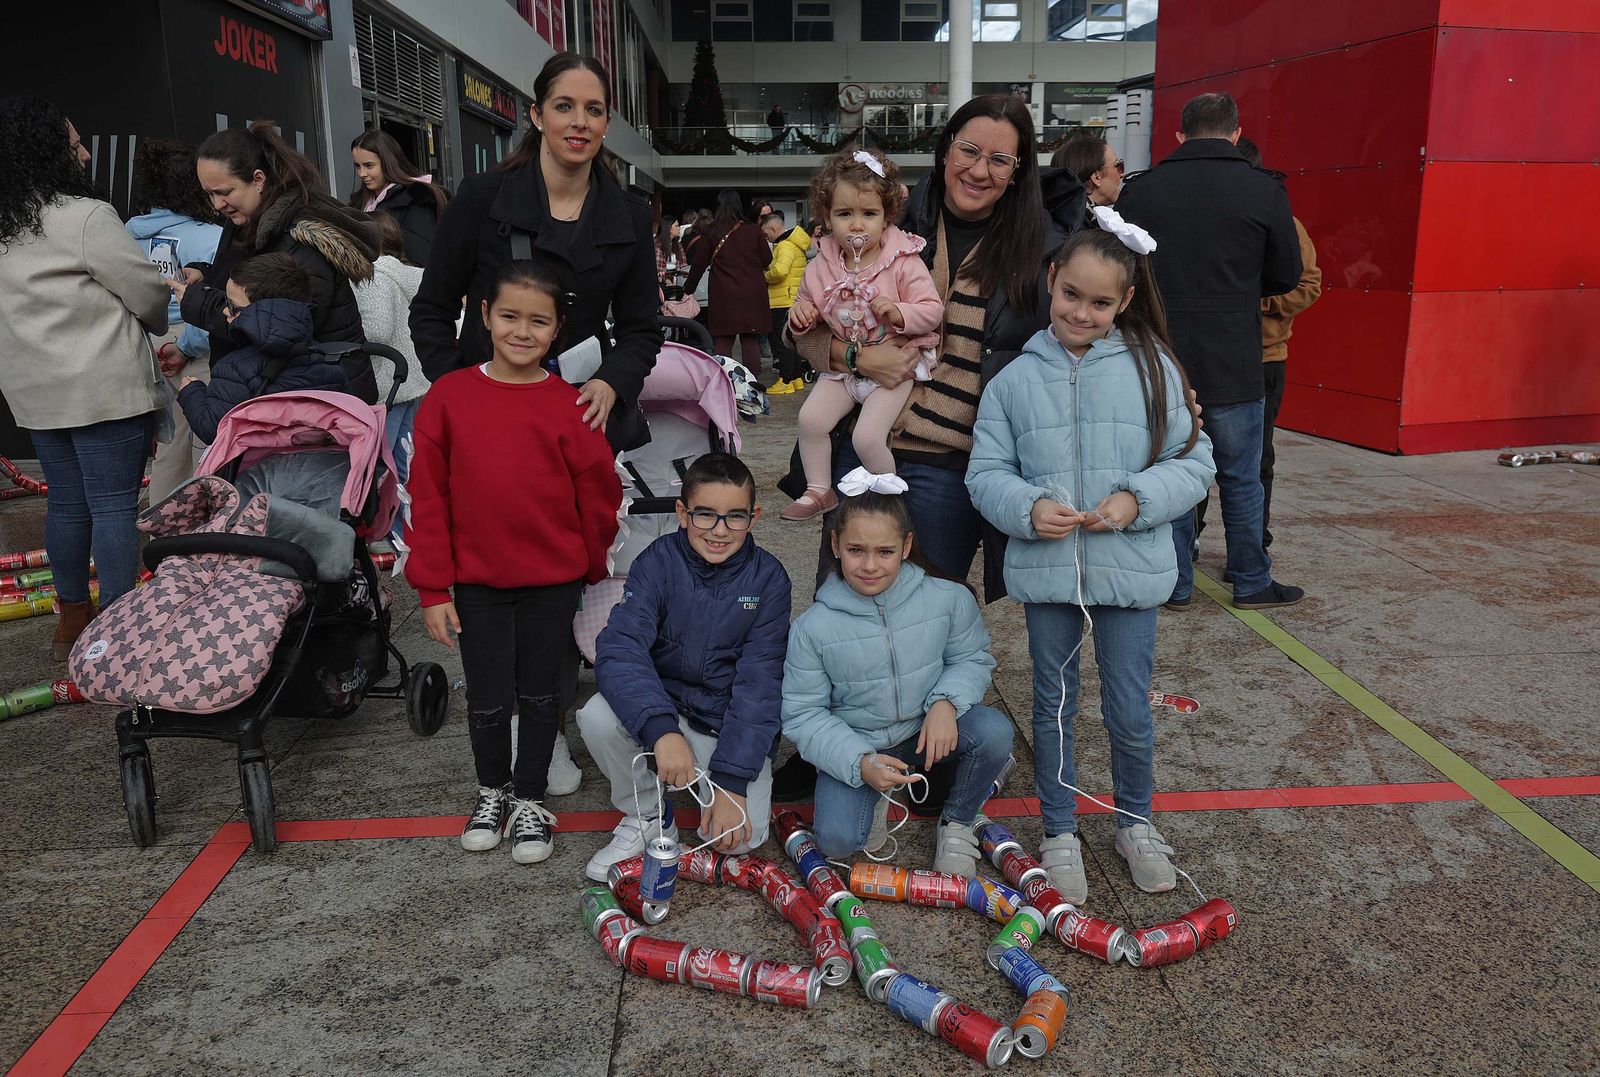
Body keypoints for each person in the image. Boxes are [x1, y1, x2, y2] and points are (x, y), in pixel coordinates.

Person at [773, 93, 1083, 803]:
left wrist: (1164, 384)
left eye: (999, 158)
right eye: (969, 150)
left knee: (925, 608)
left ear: (1017, 170)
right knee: (843, 596)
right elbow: (801, 332)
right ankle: (836, 752)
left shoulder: (1040, 247)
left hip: (952, 461)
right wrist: (858, 355)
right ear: (945, 151)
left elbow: (1082, 333)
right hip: (867, 438)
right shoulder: (883, 217)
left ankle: (926, 746)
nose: (979, 168)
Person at [966, 225, 1216, 902]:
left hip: (1129, 572)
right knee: (1052, 704)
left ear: (1125, 300)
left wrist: (1138, 499)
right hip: (1049, 573)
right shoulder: (1014, 378)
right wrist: (1025, 507)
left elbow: (1195, 461)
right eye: (1071, 293)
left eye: (1100, 303)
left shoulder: (1153, 366)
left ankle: (1136, 822)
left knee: (1130, 707)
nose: (1081, 312)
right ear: (1051, 279)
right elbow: (985, 471)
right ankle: (1059, 829)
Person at [405, 257, 622, 865]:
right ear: (484, 316)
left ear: (557, 330)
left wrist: (590, 561)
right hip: (475, 582)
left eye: (538, 321)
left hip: (552, 581)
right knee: (487, 693)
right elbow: (429, 497)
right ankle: (491, 791)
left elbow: (600, 493)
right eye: (509, 317)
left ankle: (530, 798)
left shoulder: (572, 406)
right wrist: (432, 589)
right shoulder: (448, 398)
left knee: (540, 693)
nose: (522, 332)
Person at [410, 52, 660, 454]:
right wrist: (456, 387)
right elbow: (431, 309)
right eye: (564, 106)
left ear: (605, 125)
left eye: (593, 110)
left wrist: (612, 381)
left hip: (578, 420)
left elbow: (642, 329)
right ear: (538, 116)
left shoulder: (630, 217)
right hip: (486, 419)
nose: (580, 121)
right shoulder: (480, 200)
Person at [1116, 91, 1304, 610]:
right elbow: (1287, 275)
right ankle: (1250, 580)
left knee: (1172, 471)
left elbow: (1122, 271)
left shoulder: (1141, 192)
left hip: (1160, 358)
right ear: (1236, 133)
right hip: (1235, 357)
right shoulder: (1263, 191)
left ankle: (1174, 584)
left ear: (1178, 135)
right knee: (1242, 476)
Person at [0, 97, 169, 657]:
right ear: (49, 151)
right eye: (74, 143)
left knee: (68, 504)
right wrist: (157, 319)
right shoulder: (85, 216)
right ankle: (122, 629)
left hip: (36, 392)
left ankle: (72, 616)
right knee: (115, 506)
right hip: (104, 387)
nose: (85, 151)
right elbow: (144, 289)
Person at [577, 453, 791, 882]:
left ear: (755, 516)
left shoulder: (769, 580)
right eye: (705, 515)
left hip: (721, 721)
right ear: (682, 512)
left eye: (735, 517)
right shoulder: (656, 561)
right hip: (665, 707)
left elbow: (760, 686)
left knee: (741, 840)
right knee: (595, 716)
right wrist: (661, 730)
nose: (719, 530)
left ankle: (713, 780)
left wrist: (731, 781)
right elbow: (619, 648)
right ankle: (650, 815)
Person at [781, 487, 1012, 873]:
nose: (870, 565)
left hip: (926, 732)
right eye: (856, 550)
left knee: (993, 731)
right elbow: (804, 715)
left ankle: (958, 821)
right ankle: (877, 789)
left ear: (906, 546)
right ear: (835, 544)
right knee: (837, 842)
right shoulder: (811, 628)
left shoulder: (949, 598)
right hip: (862, 743)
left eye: (884, 552)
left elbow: (971, 658)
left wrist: (945, 702)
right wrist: (859, 762)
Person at [783, 149, 943, 522]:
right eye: (844, 214)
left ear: (887, 217)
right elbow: (804, 307)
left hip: (895, 365)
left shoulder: (903, 259)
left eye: (868, 214)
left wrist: (900, 313)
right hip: (845, 371)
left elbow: (933, 311)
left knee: (867, 437)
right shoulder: (821, 264)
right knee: (810, 420)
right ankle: (819, 489)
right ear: (827, 217)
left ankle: (890, 500)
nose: (857, 226)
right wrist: (800, 316)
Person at [173, 121, 381, 403]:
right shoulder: (245, 221)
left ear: (258, 180)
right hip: (277, 396)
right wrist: (205, 273)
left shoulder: (300, 238)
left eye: (224, 192)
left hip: (316, 405)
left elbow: (280, 326)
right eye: (209, 194)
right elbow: (248, 283)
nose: (216, 205)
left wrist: (199, 302)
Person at [125, 138, 223, 498]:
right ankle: (200, 535)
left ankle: (161, 534)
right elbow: (213, 300)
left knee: (167, 445)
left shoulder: (126, 234)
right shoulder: (212, 237)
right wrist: (186, 346)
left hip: (145, 344)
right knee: (204, 445)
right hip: (195, 346)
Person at [1239, 136, 1320, 550]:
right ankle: (1190, 541)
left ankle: (1254, 541)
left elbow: (1309, 285)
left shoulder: (1285, 222)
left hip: (1265, 358)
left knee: (1257, 459)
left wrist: (1256, 301)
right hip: (1206, 355)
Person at [176, 253, 350, 443]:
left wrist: (191, 392)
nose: (226, 311)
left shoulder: (234, 369)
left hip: (256, 468)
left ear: (261, 313)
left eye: (233, 306)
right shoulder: (327, 362)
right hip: (315, 467)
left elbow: (213, 430)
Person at [352, 211, 429, 546]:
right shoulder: (404, 273)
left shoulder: (373, 277)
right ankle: (415, 526)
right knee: (406, 458)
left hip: (388, 384)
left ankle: (394, 531)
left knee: (387, 462)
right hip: (411, 379)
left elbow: (378, 329)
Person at [685, 189, 774, 371]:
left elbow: (698, 265)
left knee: (723, 339)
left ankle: (724, 385)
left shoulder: (711, 231)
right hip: (752, 293)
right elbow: (767, 259)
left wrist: (688, 289)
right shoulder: (753, 230)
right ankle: (752, 387)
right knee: (751, 339)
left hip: (723, 294)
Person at [348, 129, 448, 266]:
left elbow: (419, 262)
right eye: (357, 166)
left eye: (368, 165)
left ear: (388, 162)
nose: (362, 173)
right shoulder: (359, 203)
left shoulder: (415, 200)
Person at [761, 209, 811, 395]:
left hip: (782, 300)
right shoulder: (794, 244)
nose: (767, 238)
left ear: (774, 228)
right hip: (792, 298)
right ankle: (796, 377)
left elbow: (780, 271)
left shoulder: (784, 246)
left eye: (766, 233)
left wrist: (765, 275)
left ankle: (786, 379)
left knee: (781, 342)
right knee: (791, 341)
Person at [1051, 134, 1124, 228]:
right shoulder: (1085, 230)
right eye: (1118, 166)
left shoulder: (1059, 218)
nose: (1122, 174)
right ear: (1096, 177)